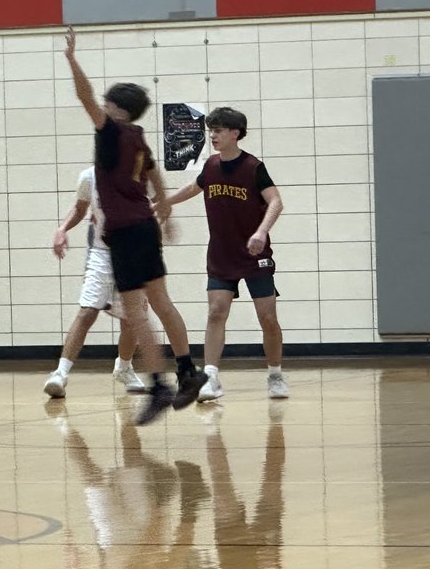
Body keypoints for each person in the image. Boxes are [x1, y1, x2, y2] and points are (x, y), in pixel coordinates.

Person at [63, 27, 207, 424]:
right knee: (160, 302)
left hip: (125, 232)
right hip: (144, 226)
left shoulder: (110, 131)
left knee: (136, 313)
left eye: (106, 102)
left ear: (114, 107)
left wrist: (73, 60)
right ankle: (188, 371)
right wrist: (164, 208)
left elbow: (83, 95)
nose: (101, 106)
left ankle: (159, 386)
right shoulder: (138, 137)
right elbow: (156, 174)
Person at [165, 107, 288, 401]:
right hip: (221, 255)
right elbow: (194, 187)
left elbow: (276, 201)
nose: (213, 136)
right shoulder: (210, 166)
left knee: (267, 318)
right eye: (211, 131)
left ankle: (275, 374)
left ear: (235, 133)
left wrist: (261, 231)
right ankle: (211, 378)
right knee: (216, 312)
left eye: (219, 130)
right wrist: (165, 202)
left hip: (254, 255)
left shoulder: (253, 167)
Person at [43, 165, 146, 397]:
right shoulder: (89, 176)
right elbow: (80, 208)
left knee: (132, 319)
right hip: (100, 253)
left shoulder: (137, 173)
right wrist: (62, 229)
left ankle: (124, 367)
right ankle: (60, 373)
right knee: (87, 311)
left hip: (131, 255)